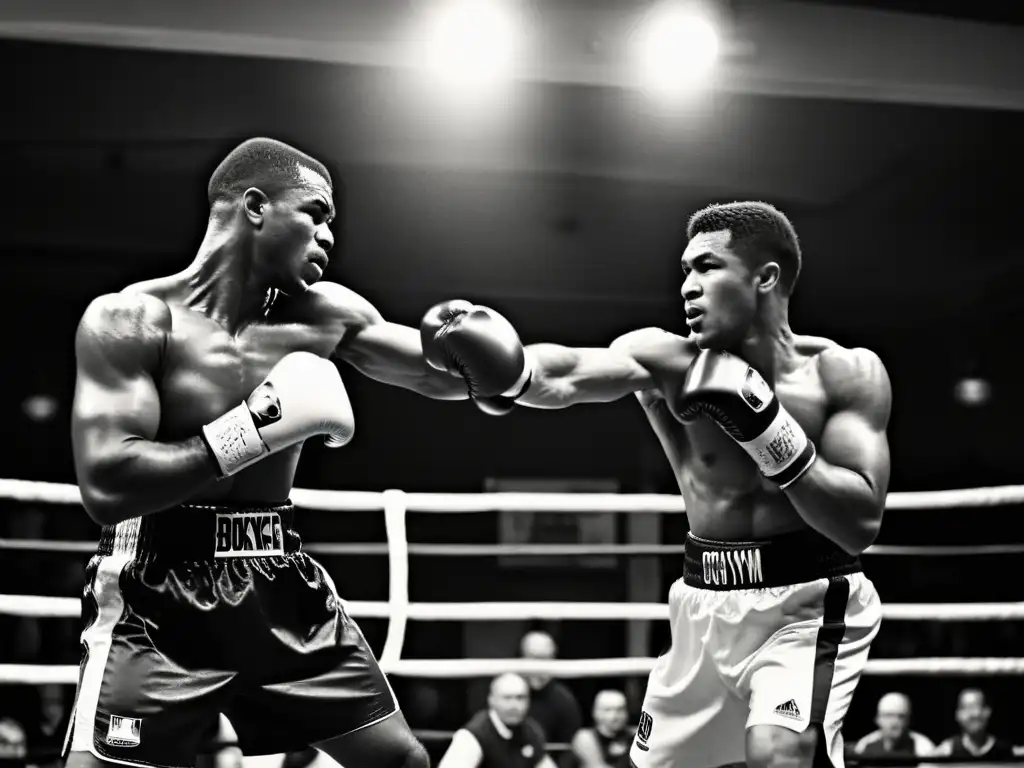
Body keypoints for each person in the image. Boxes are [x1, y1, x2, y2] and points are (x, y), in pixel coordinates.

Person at [65, 137, 528, 768]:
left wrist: (495, 362)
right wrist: (253, 429)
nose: (330, 237)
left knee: (401, 762)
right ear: (255, 206)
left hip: (275, 579)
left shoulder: (326, 315)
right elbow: (108, 485)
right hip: (156, 585)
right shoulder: (132, 319)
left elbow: (446, 376)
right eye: (316, 213)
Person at [458, 202, 891, 768]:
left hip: (808, 604)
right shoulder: (667, 360)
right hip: (702, 606)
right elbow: (563, 373)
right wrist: (507, 371)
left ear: (765, 277)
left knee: (780, 754)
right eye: (684, 270)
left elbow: (858, 525)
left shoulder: (846, 373)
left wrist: (768, 431)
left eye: (708, 267)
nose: (688, 286)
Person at [438, 673, 556, 768]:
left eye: (520, 698)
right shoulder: (473, 735)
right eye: (507, 698)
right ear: (491, 700)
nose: (514, 705)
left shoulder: (530, 730)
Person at [518, 631, 584, 753]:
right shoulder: (505, 693)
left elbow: (570, 752)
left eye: (545, 659)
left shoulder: (564, 700)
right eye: (533, 658)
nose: (538, 666)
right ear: (522, 658)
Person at [934, 688, 1015, 759]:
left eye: (976, 706)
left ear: (987, 712)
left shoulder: (1005, 751)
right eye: (966, 708)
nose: (972, 714)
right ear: (957, 715)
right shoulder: (947, 751)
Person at [854, 692, 935, 758]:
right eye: (888, 715)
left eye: (901, 716)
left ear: (908, 720)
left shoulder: (923, 747)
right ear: (878, 719)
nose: (894, 722)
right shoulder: (865, 745)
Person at [571, 690, 633, 768]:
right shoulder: (585, 737)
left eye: (620, 710)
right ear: (595, 712)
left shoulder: (633, 736)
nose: (614, 716)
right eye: (607, 710)